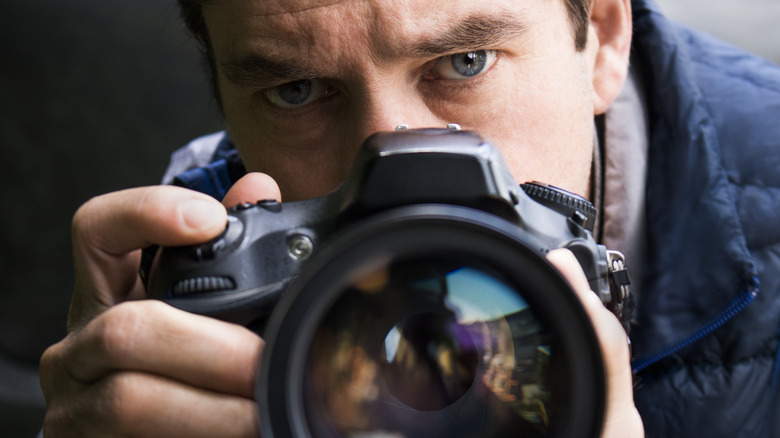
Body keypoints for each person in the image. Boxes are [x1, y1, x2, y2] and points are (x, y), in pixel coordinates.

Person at [38, 0, 780, 436]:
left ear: (604, 40)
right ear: (227, 109)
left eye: (465, 63)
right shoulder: (206, 237)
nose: (394, 148)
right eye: (298, 89)